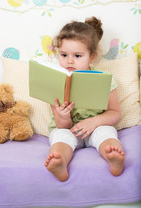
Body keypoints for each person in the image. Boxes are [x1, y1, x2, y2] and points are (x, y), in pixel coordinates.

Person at [44, 17, 125, 181]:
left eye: (78, 56)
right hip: (69, 129)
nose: (69, 61)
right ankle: (60, 161)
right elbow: (61, 125)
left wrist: (94, 122)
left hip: (95, 128)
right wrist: (63, 116)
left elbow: (115, 113)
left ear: (92, 56)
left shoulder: (104, 79)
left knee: (106, 132)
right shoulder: (55, 81)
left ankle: (113, 157)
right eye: (64, 55)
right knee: (60, 136)